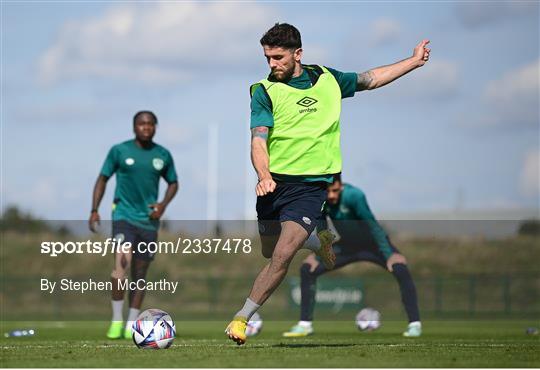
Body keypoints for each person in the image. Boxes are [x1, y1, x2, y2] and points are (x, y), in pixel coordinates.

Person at [226, 23, 430, 345]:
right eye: (267, 58)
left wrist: (412, 61)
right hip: (273, 186)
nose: (271, 65)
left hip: (310, 188)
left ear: (298, 54)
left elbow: (370, 79)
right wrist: (264, 176)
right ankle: (314, 239)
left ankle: (242, 318)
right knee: (269, 250)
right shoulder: (264, 91)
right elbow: (258, 140)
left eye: (278, 58)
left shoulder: (328, 80)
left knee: (282, 254)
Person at [283, 175, 422, 338]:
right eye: (328, 192)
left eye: (335, 191)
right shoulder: (321, 199)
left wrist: (389, 254)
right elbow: (322, 230)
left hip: (373, 245)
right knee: (308, 269)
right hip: (348, 246)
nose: (332, 196)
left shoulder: (354, 196)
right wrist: (320, 255)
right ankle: (305, 325)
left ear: (340, 186)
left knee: (400, 268)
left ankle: (414, 325)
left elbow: (372, 224)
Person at [89, 111, 179, 339]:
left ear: (155, 127)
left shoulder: (162, 154)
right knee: (122, 264)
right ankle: (116, 319)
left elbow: (173, 183)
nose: (146, 127)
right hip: (123, 216)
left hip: (148, 222)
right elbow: (102, 179)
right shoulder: (119, 151)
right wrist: (94, 210)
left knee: (140, 273)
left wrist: (162, 205)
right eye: (141, 123)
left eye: (150, 123)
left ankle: (131, 323)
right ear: (134, 127)